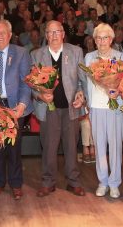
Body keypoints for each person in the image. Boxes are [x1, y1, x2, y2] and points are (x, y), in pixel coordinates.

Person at [31, 20, 87, 197]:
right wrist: (40, 95)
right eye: (50, 32)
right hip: (48, 109)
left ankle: (73, 182)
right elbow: (31, 84)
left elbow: (82, 80)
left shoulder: (76, 52)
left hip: (71, 107)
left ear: (63, 34)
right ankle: (48, 182)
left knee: (71, 146)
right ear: (45, 35)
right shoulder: (36, 55)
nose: (54, 35)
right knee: (48, 147)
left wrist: (80, 94)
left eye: (57, 32)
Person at [0, 20, 32, 200]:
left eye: (4, 33)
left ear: (10, 35)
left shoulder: (22, 53)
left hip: (14, 106)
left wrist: (22, 106)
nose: (0, 36)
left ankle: (16, 184)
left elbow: (26, 84)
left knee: (14, 147)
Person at [83, 23, 123, 199]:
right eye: (98, 38)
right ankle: (103, 181)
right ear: (94, 40)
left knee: (115, 146)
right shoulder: (89, 58)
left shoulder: (120, 56)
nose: (102, 41)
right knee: (99, 146)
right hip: (96, 107)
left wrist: (119, 91)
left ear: (111, 39)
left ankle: (115, 182)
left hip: (115, 108)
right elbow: (85, 82)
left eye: (105, 37)